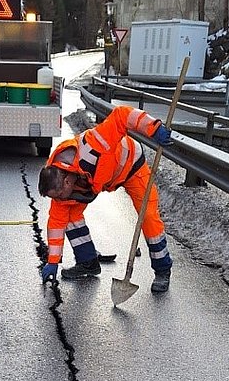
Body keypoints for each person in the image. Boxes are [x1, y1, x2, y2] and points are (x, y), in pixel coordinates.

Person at [38, 105, 174, 293]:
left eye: (59, 195)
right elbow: (56, 222)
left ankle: (162, 270)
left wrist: (153, 128)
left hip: (132, 167)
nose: (59, 199)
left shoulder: (95, 146)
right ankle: (88, 263)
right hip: (103, 179)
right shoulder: (58, 180)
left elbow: (122, 115)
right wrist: (52, 262)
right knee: (69, 217)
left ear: (67, 181)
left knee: (149, 218)